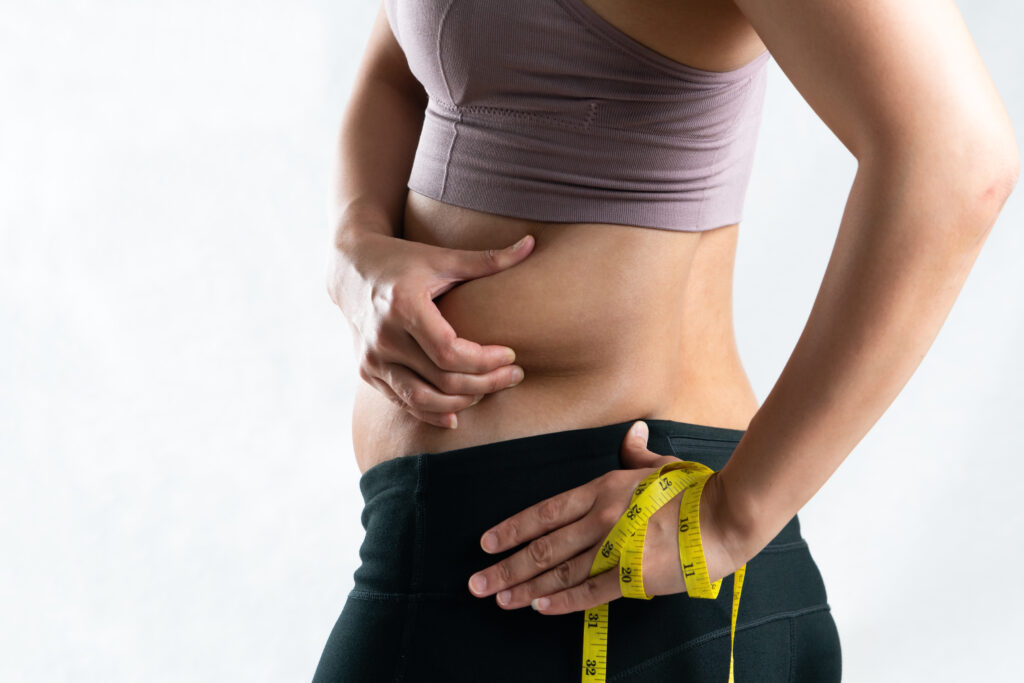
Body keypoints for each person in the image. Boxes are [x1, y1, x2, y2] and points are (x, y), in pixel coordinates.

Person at [314, 0, 1018, 680]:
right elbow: (397, 71)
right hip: (476, 555)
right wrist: (354, 247)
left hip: (604, 557)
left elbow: (957, 159)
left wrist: (727, 520)